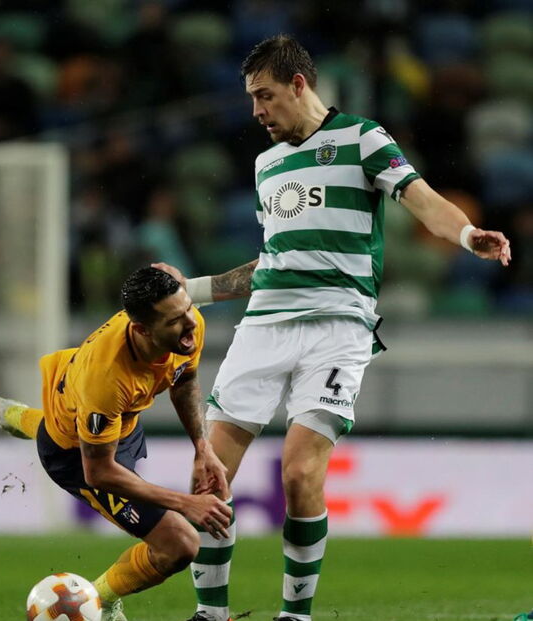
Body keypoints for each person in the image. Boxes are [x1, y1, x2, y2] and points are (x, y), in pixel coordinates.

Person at [154, 35, 512, 621]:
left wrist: (468, 234)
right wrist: (190, 293)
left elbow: (422, 201)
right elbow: (274, 260)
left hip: (338, 326)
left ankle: (296, 615)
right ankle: (210, 615)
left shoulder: (362, 138)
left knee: (299, 472)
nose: (257, 111)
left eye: (264, 96)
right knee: (208, 476)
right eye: (250, 99)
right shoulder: (266, 164)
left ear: (299, 85)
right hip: (263, 327)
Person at [0, 267, 233, 621]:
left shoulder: (184, 325)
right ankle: (101, 599)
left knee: (71, 422)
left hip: (116, 423)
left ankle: (14, 415)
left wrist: (203, 448)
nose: (191, 323)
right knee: (181, 545)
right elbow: (99, 472)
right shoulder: (107, 380)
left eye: (188, 309)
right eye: (175, 319)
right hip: (75, 457)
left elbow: (184, 379)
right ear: (141, 329)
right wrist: (187, 503)